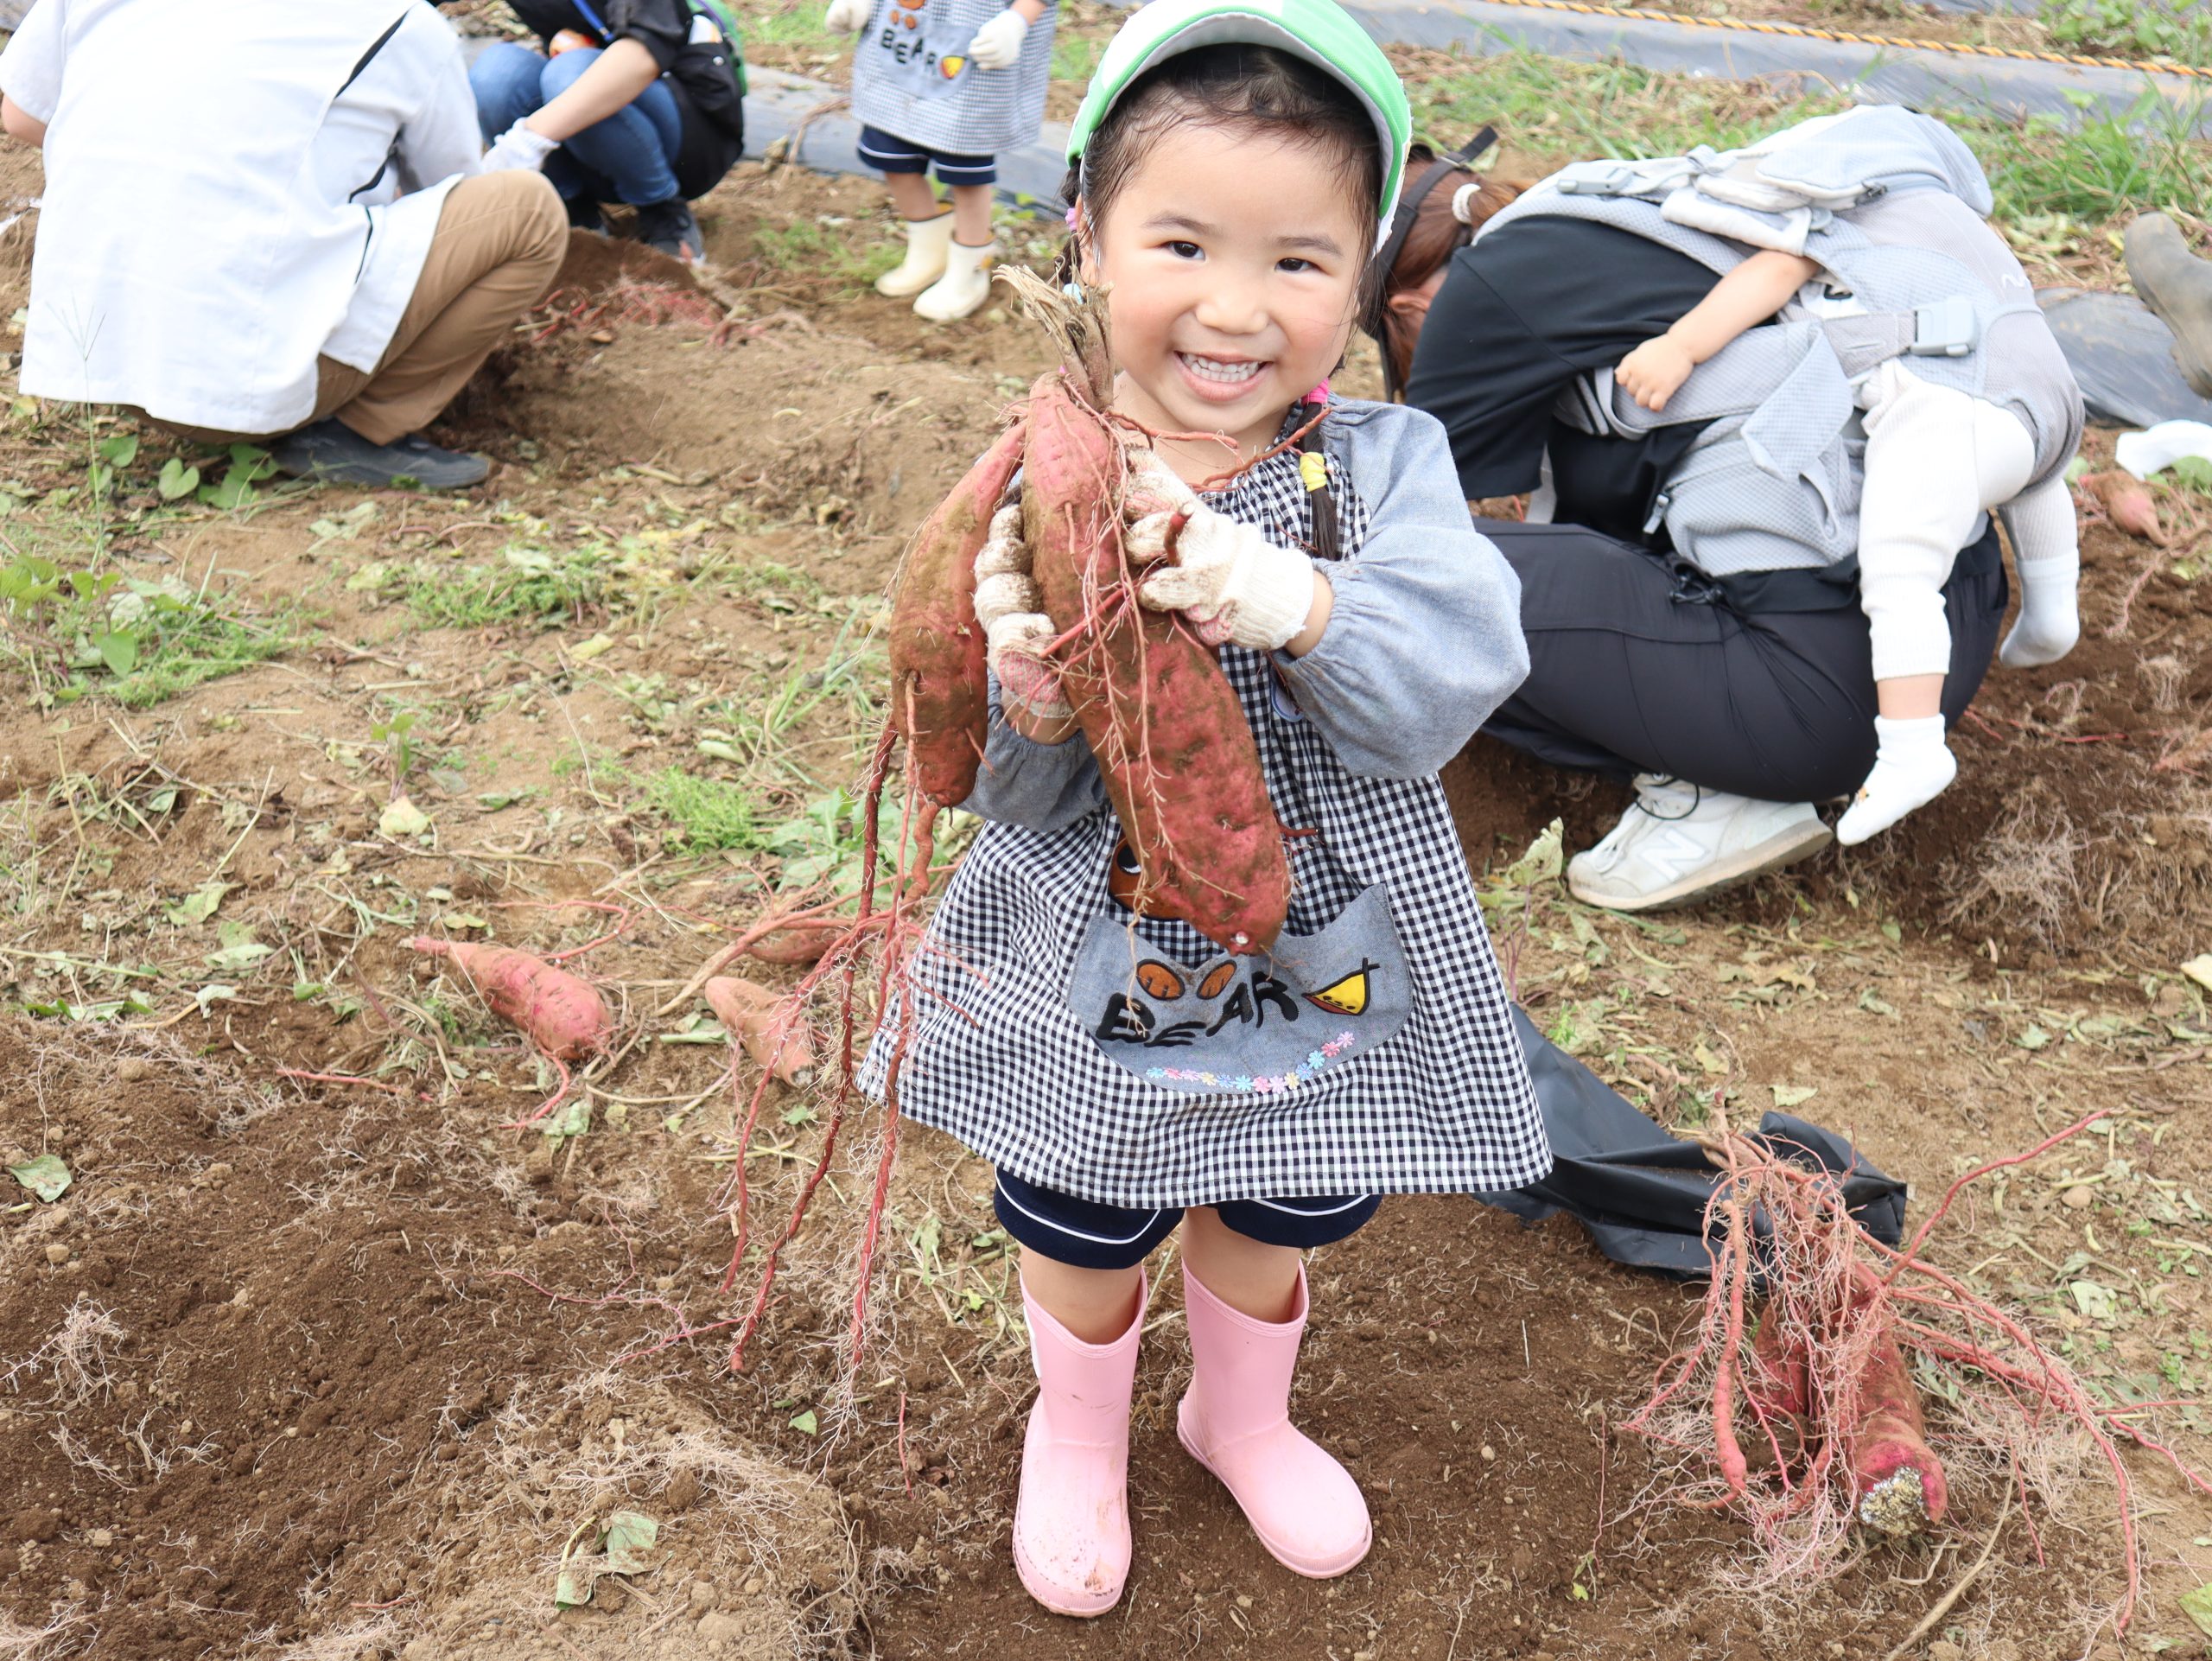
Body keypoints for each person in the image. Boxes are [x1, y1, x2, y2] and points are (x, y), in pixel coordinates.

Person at [861, 0, 1550, 1616]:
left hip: (1325, 915)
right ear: (1088, 236)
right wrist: (1027, 684)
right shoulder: (1044, 476)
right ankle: (1077, 1430)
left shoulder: (1390, 466)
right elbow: (1003, 786)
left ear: (1364, 274)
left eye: (1301, 262)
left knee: (1283, 1188)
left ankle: (1238, 1414)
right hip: (1085, 925)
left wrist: (1289, 598)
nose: (1238, 310)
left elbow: (1457, 676)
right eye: (1184, 242)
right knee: (1084, 1203)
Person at [1378, 117, 2084, 913]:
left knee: (1414, 579)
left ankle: (1713, 795)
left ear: (1405, 300)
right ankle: (1739, 746)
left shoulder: (1488, 287)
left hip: (1810, 708)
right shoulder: (1652, 210)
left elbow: (1414, 506)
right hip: (1946, 633)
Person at [1612, 231, 2080, 844]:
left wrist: (1680, 345)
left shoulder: (1830, 224)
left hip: (1938, 407)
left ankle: (1912, 748)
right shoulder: (1948, 227)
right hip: (2034, 388)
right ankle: (2052, 611)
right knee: (2037, 476)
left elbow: (1775, 270)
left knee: (1902, 570)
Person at [1, 0, 565, 490]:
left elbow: (21, 112)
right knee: (526, 210)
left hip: (94, 355)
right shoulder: (402, 24)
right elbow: (456, 187)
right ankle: (357, 430)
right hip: (234, 388)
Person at [823, 0, 1058, 321]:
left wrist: (1017, 21)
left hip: (975, 50)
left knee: (965, 172)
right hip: (901, 42)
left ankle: (970, 267)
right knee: (893, 154)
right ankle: (927, 251)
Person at [470, 0, 745, 266]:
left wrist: (528, 138)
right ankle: (572, 209)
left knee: (569, 73)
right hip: (586, 139)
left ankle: (662, 209)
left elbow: (645, 50)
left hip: (685, 137)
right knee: (496, 74)